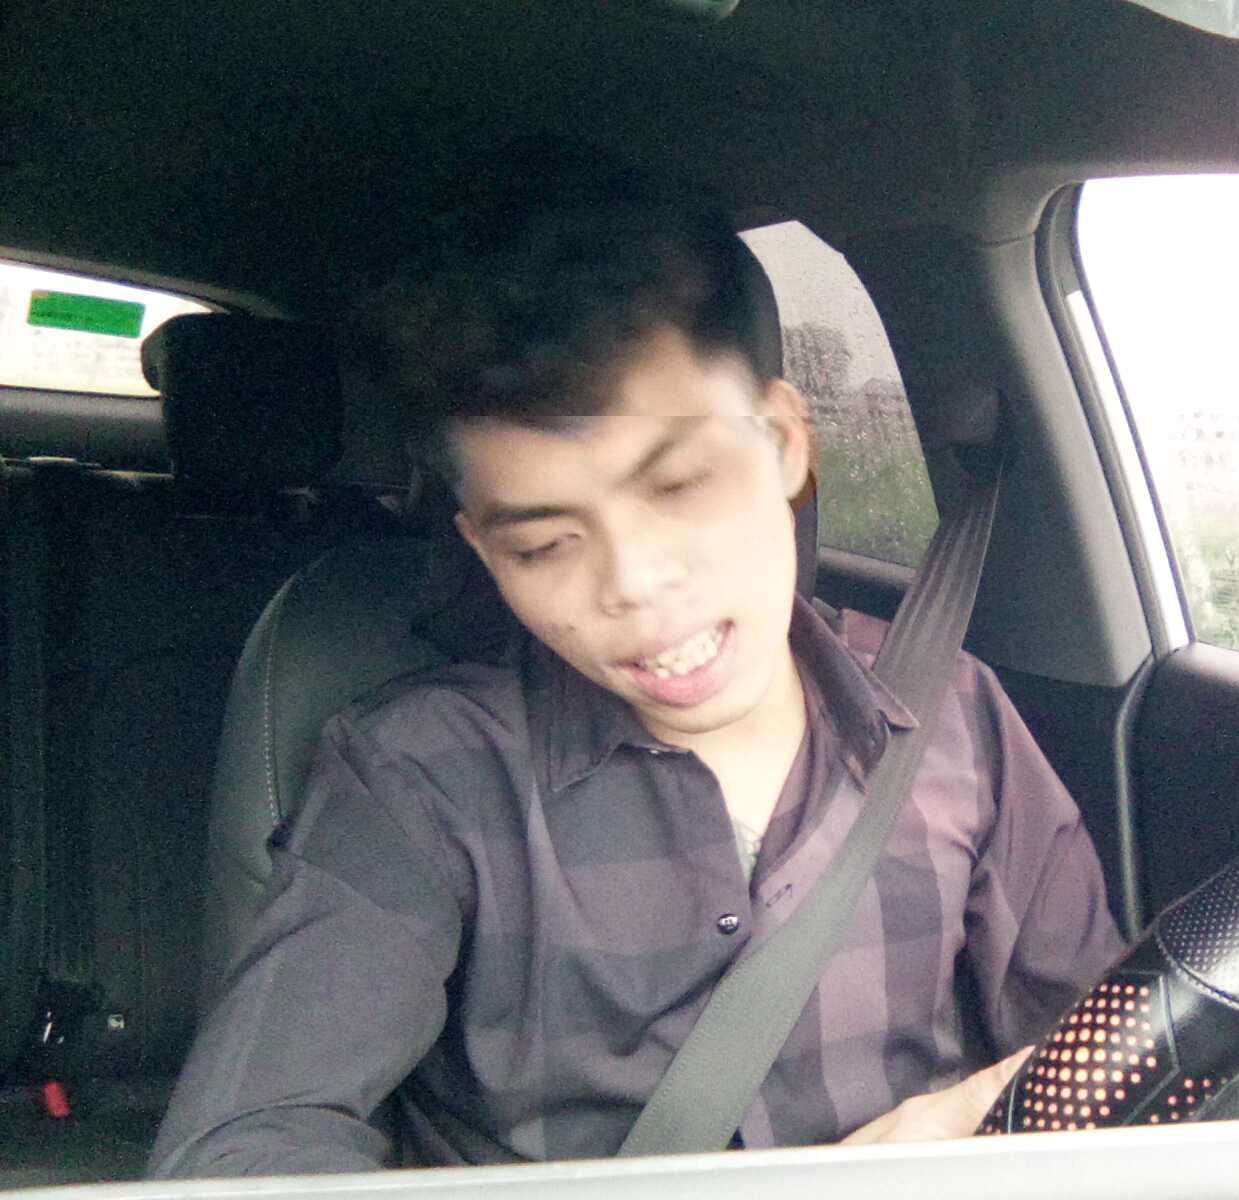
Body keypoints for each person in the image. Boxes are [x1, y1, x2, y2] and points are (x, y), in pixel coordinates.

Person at [148, 207, 1125, 1176]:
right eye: (545, 545)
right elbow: (245, 1148)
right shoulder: (421, 776)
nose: (633, 586)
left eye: (681, 488)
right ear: (485, 549)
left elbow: (1120, 1046)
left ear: (786, 442)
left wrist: (990, 1116)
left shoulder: (952, 714)